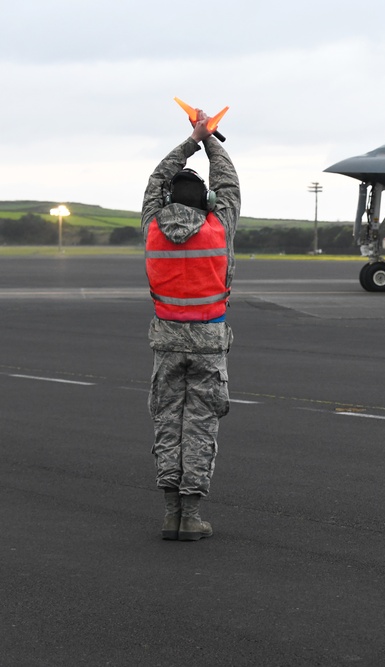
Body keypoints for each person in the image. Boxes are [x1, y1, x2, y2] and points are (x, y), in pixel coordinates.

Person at [141, 110, 240, 541]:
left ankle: (169, 513)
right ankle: (192, 516)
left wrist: (189, 141)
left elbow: (153, 181)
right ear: (209, 202)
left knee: (168, 422)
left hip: (166, 339)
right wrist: (210, 138)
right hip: (208, 341)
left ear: (165, 202)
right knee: (199, 426)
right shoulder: (219, 226)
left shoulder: (151, 228)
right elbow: (229, 180)